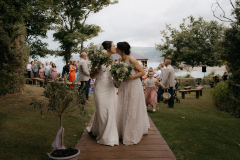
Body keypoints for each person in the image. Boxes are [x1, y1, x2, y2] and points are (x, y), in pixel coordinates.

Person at [115, 42, 150, 145]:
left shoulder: (131, 59)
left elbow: (141, 72)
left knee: (132, 108)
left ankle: (131, 134)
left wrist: (129, 78)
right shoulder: (119, 60)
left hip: (134, 86)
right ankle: (121, 131)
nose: (116, 49)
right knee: (123, 107)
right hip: (124, 86)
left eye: (117, 48)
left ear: (122, 49)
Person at [86, 41, 119, 146]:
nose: (115, 47)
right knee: (101, 110)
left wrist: (121, 85)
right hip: (100, 87)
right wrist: (96, 70)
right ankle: (100, 131)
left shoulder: (113, 60)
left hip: (109, 88)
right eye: (113, 46)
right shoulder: (98, 60)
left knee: (109, 110)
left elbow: (113, 75)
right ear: (108, 48)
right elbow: (91, 75)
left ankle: (108, 135)